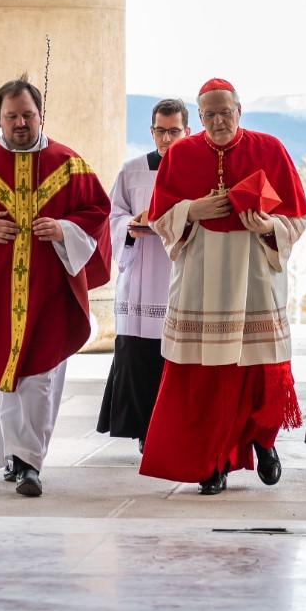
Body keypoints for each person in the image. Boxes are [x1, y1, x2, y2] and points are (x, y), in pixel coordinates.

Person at [0, 77, 112, 497]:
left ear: (40, 115)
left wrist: (65, 229)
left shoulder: (70, 166)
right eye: (11, 116)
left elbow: (97, 213)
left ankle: (30, 461)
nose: (19, 123)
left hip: (47, 293)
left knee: (39, 376)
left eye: (27, 115)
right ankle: (12, 454)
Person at [138, 78, 306, 494]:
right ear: (198, 117)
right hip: (201, 276)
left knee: (257, 369)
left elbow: (299, 216)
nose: (219, 121)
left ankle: (263, 441)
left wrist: (270, 226)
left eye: (225, 112)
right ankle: (212, 462)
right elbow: (160, 219)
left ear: (239, 110)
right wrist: (191, 209)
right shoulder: (180, 153)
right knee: (205, 377)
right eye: (210, 114)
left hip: (254, 272)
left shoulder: (270, 149)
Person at [96, 97, 188, 450]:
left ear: (187, 131)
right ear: (151, 132)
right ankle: (142, 428)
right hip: (141, 277)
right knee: (139, 354)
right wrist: (129, 227)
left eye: (174, 131)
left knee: (177, 355)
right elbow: (113, 215)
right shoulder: (132, 170)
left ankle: (175, 426)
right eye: (161, 132)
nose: (167, 139)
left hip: (178, 274)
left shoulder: (193, 169)